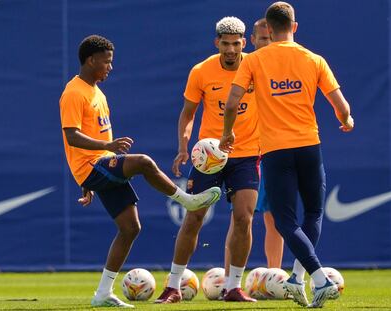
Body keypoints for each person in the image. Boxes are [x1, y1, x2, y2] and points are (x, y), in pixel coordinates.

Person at [59, 35, 221, 308]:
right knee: (144, 162)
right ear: (90, 60)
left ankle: (102, 294)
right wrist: (104, 150)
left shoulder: (97, 91)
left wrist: (89, 182)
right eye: (106, 62)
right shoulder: (73, 92)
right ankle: (187, 200)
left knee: (131, 228)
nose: (110, 67)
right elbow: (72, 136)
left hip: (97, 168)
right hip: (94, 165)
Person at [220, 2, 354, 308]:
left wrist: (227, 133)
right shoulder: (314, 59)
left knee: (285, 220)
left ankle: (310, 278)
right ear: (294, 26)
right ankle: (304, 278)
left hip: (275, 151)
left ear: (268, 28)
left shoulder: (254, 60)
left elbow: (231, 104)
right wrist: (346, 121)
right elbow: (342, 107)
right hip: (309, 146)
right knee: (313, 213)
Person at [155, 17, 259, 304]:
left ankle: (233, 287)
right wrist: (182, 146)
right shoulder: (201, 71)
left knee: (243, 218)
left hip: (248, 153)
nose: (230, 49)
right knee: (194, 217)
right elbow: (187, 115)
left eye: (236, 44)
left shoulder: (255, 66)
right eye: (225, 44)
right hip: (209, 157)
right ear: (216, 42)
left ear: (243, 42)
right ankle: (173, 286)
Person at [251, 18, 284, 269]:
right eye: (263, 39)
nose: (268, 44)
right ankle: (232, 281)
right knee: (239, 217)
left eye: (271, 38)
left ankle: (274, 274)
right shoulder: (246, 67)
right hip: (243, 154)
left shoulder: (284, 69)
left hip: (272, 152)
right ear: (252, 41)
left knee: (274, 218)